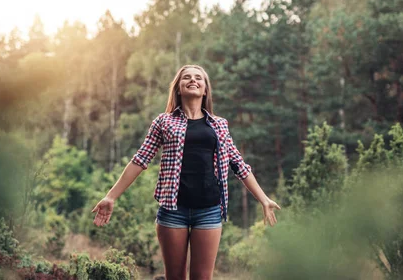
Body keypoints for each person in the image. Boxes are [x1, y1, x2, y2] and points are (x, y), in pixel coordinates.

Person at [92, 64, 281, 280]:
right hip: (173, 211)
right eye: (187, 77)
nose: (193, 80)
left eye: (198, 78)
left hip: (209, 210)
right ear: (179, 89)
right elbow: (140, 160)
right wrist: (110, 196)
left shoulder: (219, 125)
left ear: (205, 89)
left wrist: (264, 199)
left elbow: (238, 164)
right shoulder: (163, 122)